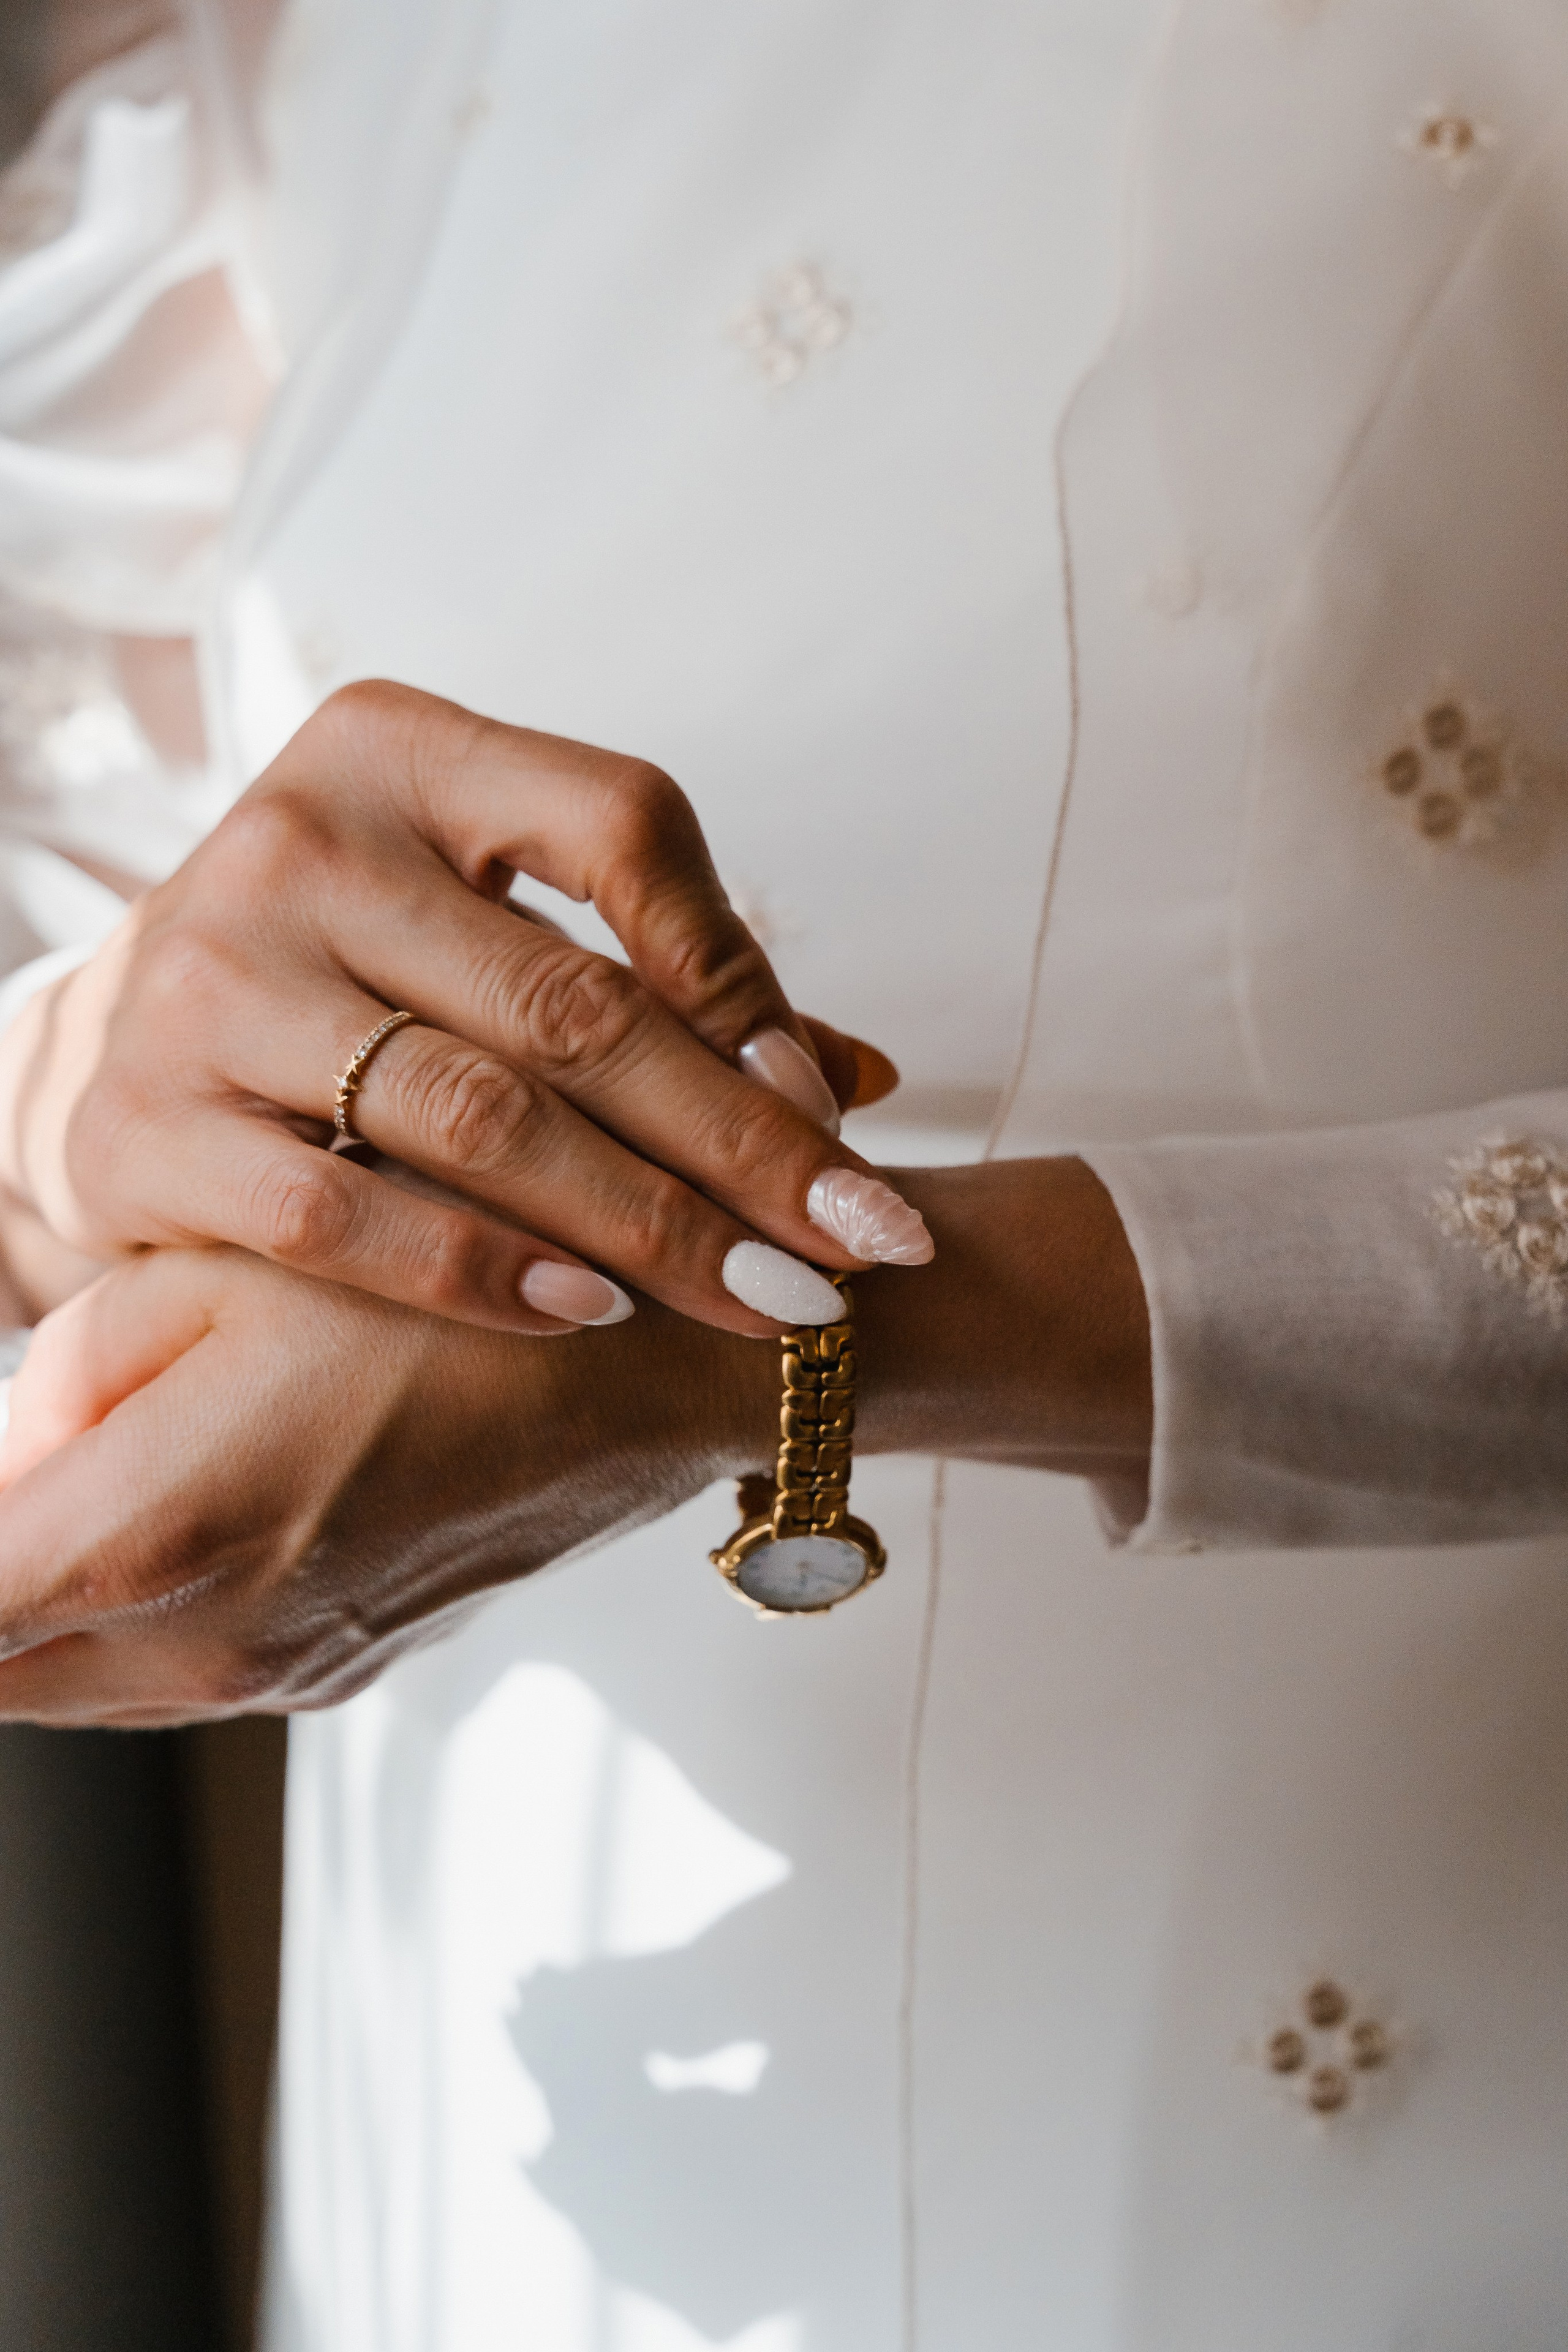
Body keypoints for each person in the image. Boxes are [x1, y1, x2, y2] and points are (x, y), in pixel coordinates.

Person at [0, 1, 1566, 2345]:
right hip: (527, 2193)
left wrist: (779, 1355)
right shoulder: (276, 59)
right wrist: (88, 1107)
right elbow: (58, 910)